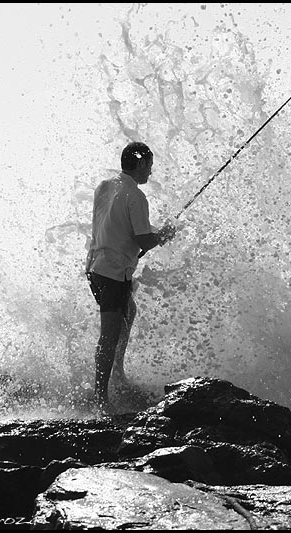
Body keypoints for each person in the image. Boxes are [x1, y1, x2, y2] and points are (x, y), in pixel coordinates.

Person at [85, 142, 178, 414]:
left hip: (95, 267)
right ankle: (100, 398)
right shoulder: (136, 196)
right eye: (148, 165)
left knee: (130, 311)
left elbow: (120, 223)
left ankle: (118, 375)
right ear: (138, 164)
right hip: (114, 273)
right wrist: (164, 236)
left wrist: (154, 232)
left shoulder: (106, 185)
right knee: (109, 335)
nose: (150, 171)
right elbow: (144, 240)